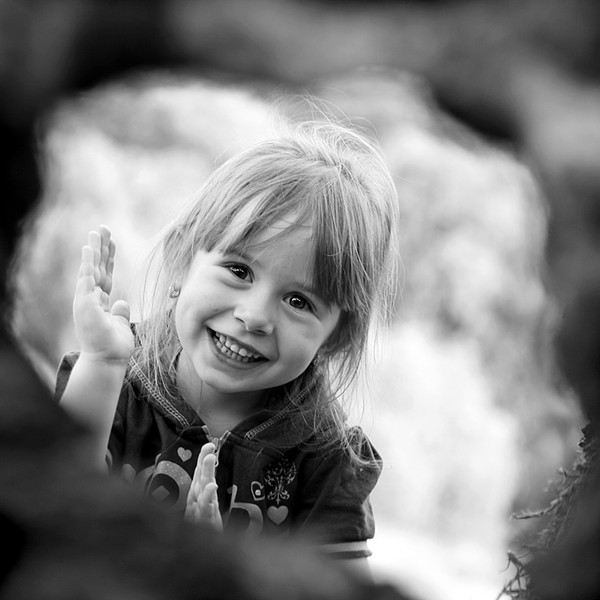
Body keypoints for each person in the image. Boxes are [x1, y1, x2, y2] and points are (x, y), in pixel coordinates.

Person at [55, 115, 400, 572]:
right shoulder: (112, 384)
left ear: (337, 337)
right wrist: (101, 364)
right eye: (239, 271)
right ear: (182, 260)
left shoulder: (327, 462)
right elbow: (53, 511)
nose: (254, 316)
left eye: (298, 300)